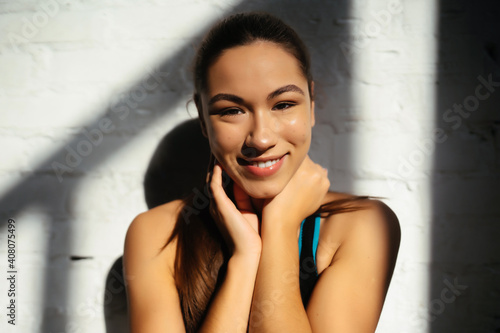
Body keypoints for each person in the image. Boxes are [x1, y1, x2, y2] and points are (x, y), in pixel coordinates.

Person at [123, 12, 400, 333]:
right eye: (232, 111)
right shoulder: (158, 234)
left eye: (283, 104)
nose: (262, 138)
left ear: (311, 104)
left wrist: (281, 227)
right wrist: (244, 260)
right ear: (202, 118)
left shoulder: (363, 225)